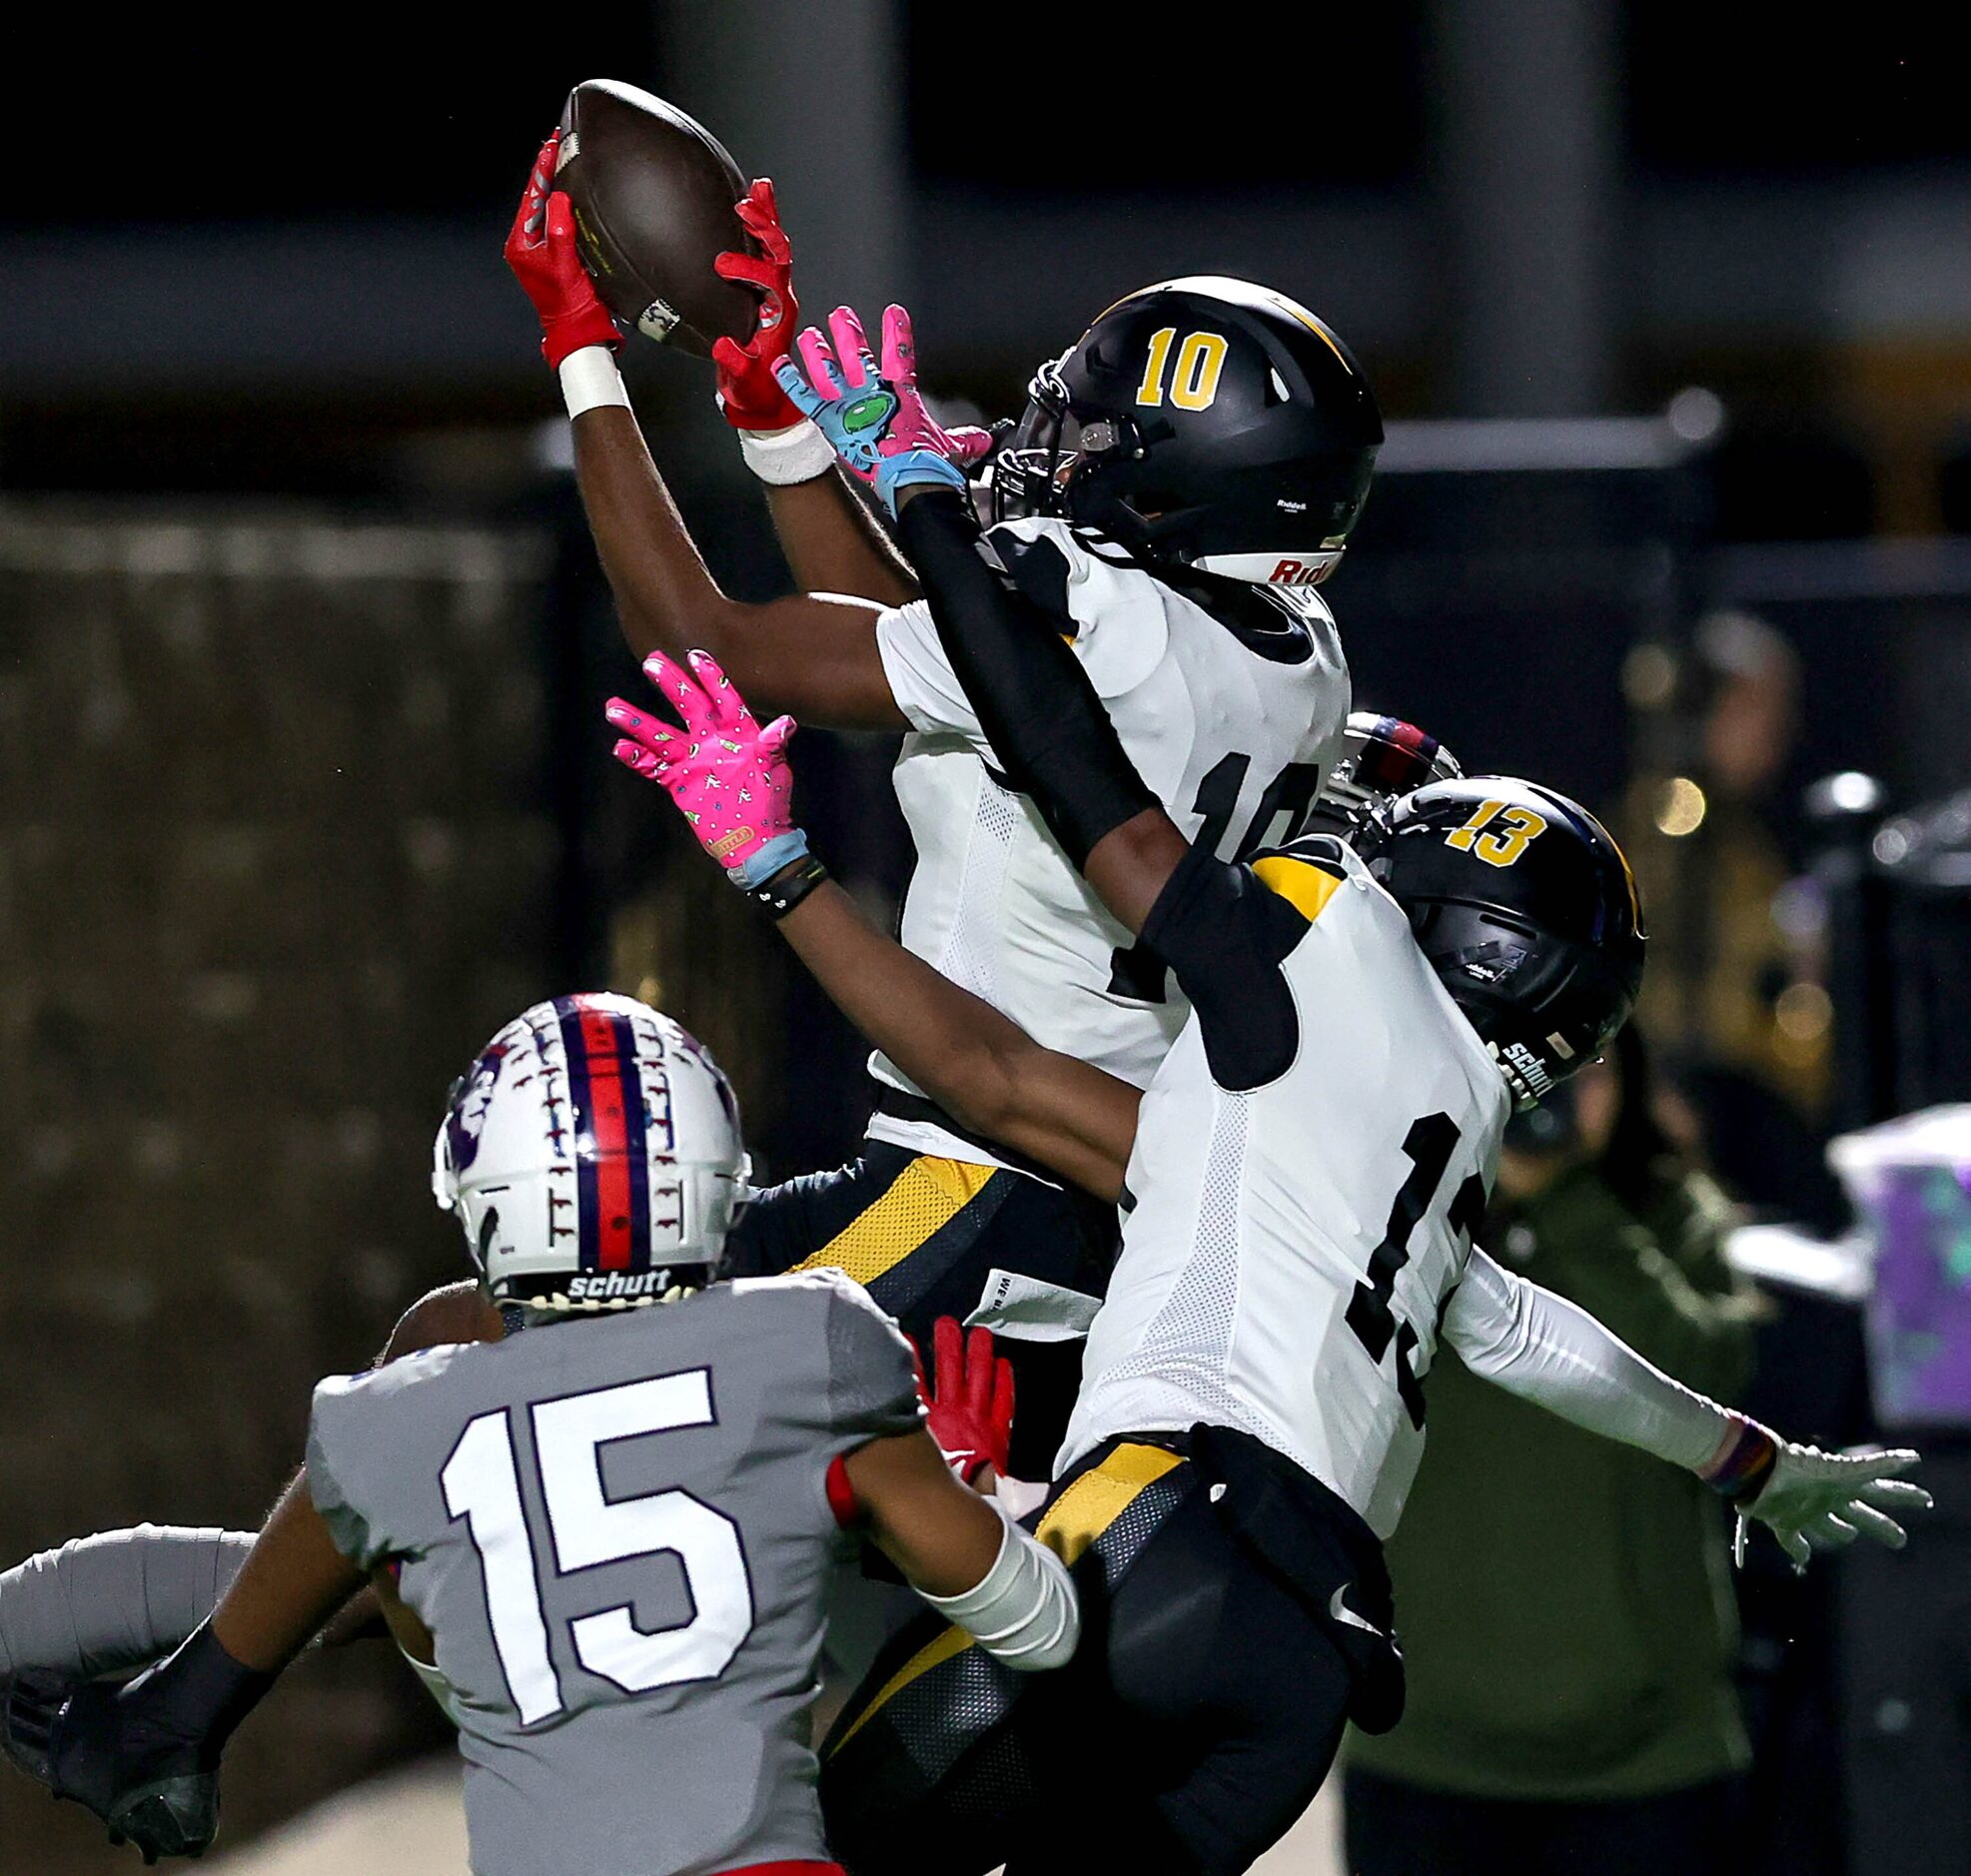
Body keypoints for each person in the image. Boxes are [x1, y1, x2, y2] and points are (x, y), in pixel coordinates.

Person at [589, 308, 1929, 1875]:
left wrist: (780, 853)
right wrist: (1749, 1457)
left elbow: (1018, 977)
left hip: (1152, 1538)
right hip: (1306, 1666)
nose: (1349, 842)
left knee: (803, 1844)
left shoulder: (1278, 996)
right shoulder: (1428, 1137)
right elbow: (1540, 1339)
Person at [504, 132, 1380, 1462]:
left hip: (965, 1178)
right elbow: (927, 644)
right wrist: (772, 415)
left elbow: (704, 639)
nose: (1051, 450)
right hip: (1088, 1193)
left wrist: (583, 352)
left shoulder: (1089, 606)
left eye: (1094, 437)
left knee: (556, 1378)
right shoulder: (1295, 659)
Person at [1, 995, 1077, 1871]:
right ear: (711, 1181)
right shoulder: (816, 1339)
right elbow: (1044, 1631)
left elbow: (464, 1665)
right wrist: (960, 1484)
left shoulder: (390, 1420)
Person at [1343, 1022, 1765, 1876]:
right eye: (1534, 1071)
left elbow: (1705, 1377)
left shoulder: (1677, 1221)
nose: (1554, 1096)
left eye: (1586, 1071)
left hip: (1648, 1760)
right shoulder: (1395, 1218)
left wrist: (1564, 1196)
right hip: (1422, 1747)